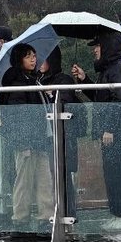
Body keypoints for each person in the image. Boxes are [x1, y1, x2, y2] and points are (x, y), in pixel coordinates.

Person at [71, 30, 121, 225]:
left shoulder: (117, 71)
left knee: (119, 174)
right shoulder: (107, 71)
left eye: (98, 46)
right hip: (110, 134)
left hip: (117, 135)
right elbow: (101, 100)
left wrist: (110, 128)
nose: (95, 50)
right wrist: (85, 80)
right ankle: (117, 214)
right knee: (111, 174)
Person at [0, 44, 54, 229]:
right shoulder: (16, 83)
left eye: (34, 55)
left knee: (44, 181)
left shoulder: (33, 80)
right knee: (24, 182)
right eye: (28, 56)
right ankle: (20, 219)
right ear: (19, 59)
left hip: (39, 140)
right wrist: (22, 141)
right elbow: (17, 116)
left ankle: (45, 218)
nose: (33, 59)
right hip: (26, 142)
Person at [39, 46, 84, 218]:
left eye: (45, 59)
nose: (41, 64)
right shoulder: (40, 80)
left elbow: (65, 101)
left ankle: (67, 213)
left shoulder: (63, 79)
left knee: (62, 175)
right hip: (48, 136)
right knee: (50, 176)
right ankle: (56, 211)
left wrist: (51, 95)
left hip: (63, 136)